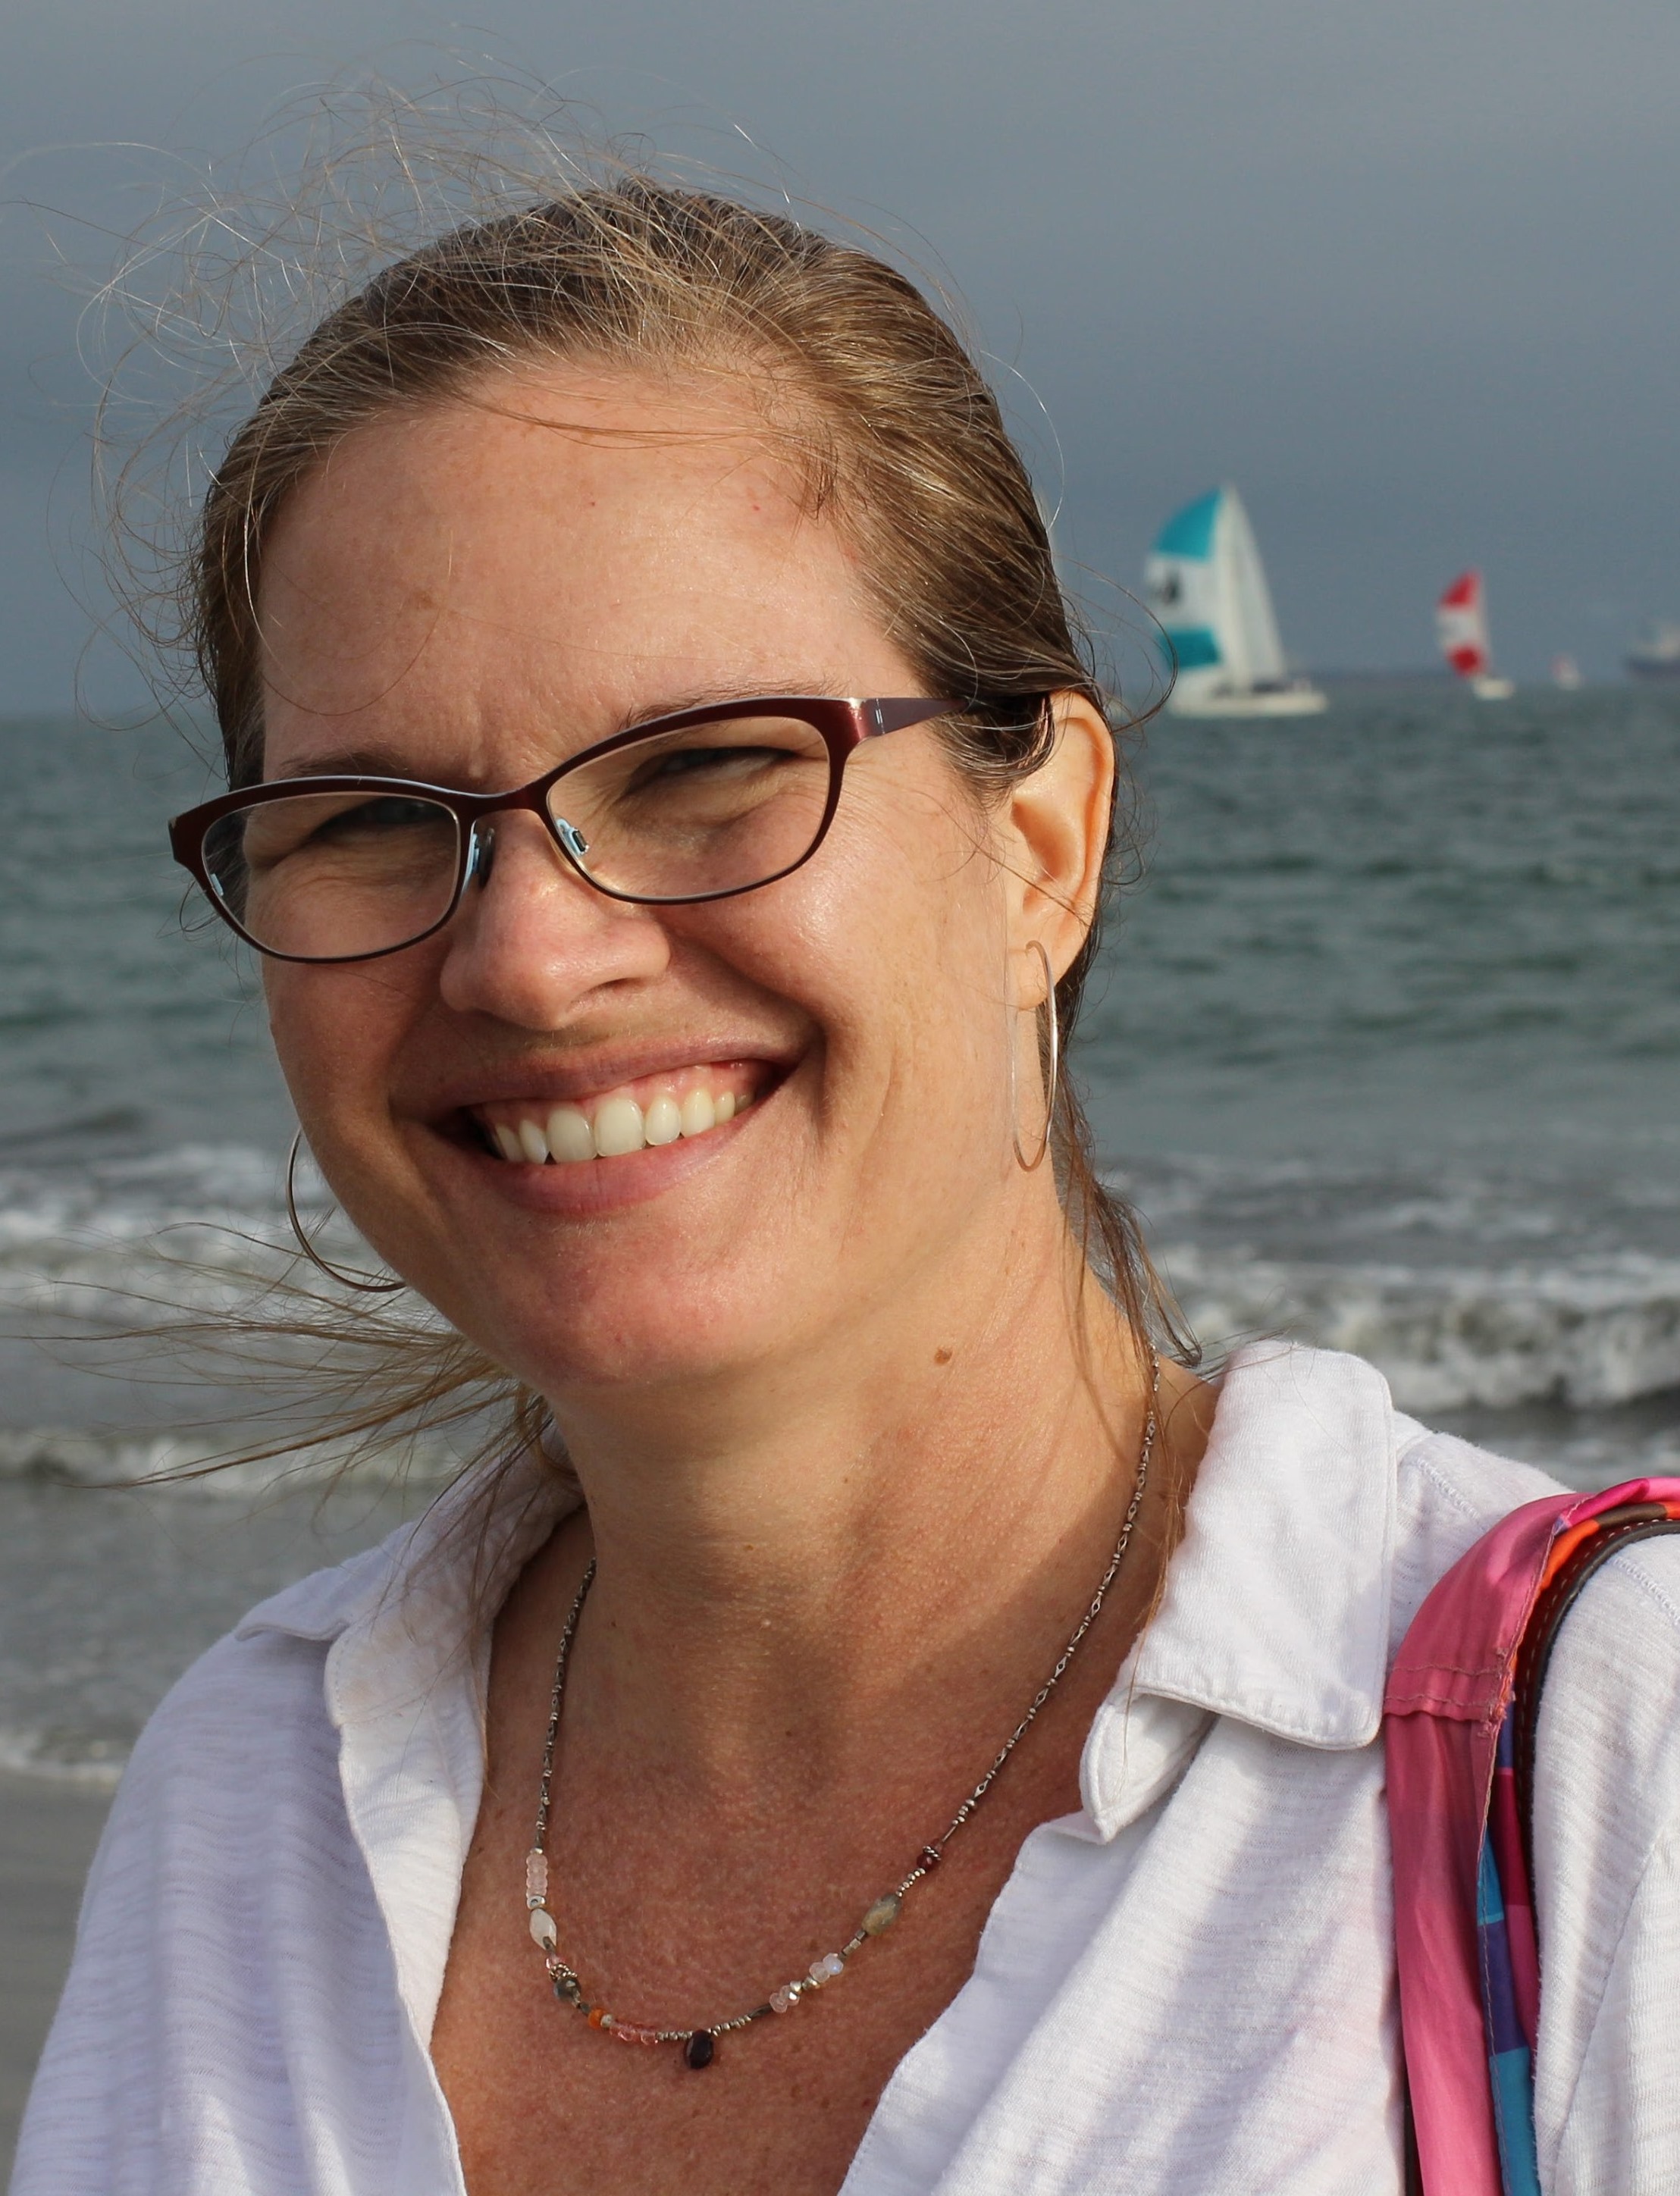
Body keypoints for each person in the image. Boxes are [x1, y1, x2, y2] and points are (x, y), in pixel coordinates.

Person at [15, 177, 1680, 2196]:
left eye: (708, 766)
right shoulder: (255, 1800)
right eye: (370, 818)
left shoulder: (1602, 1754)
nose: (529, 960)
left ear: (1042, 846)